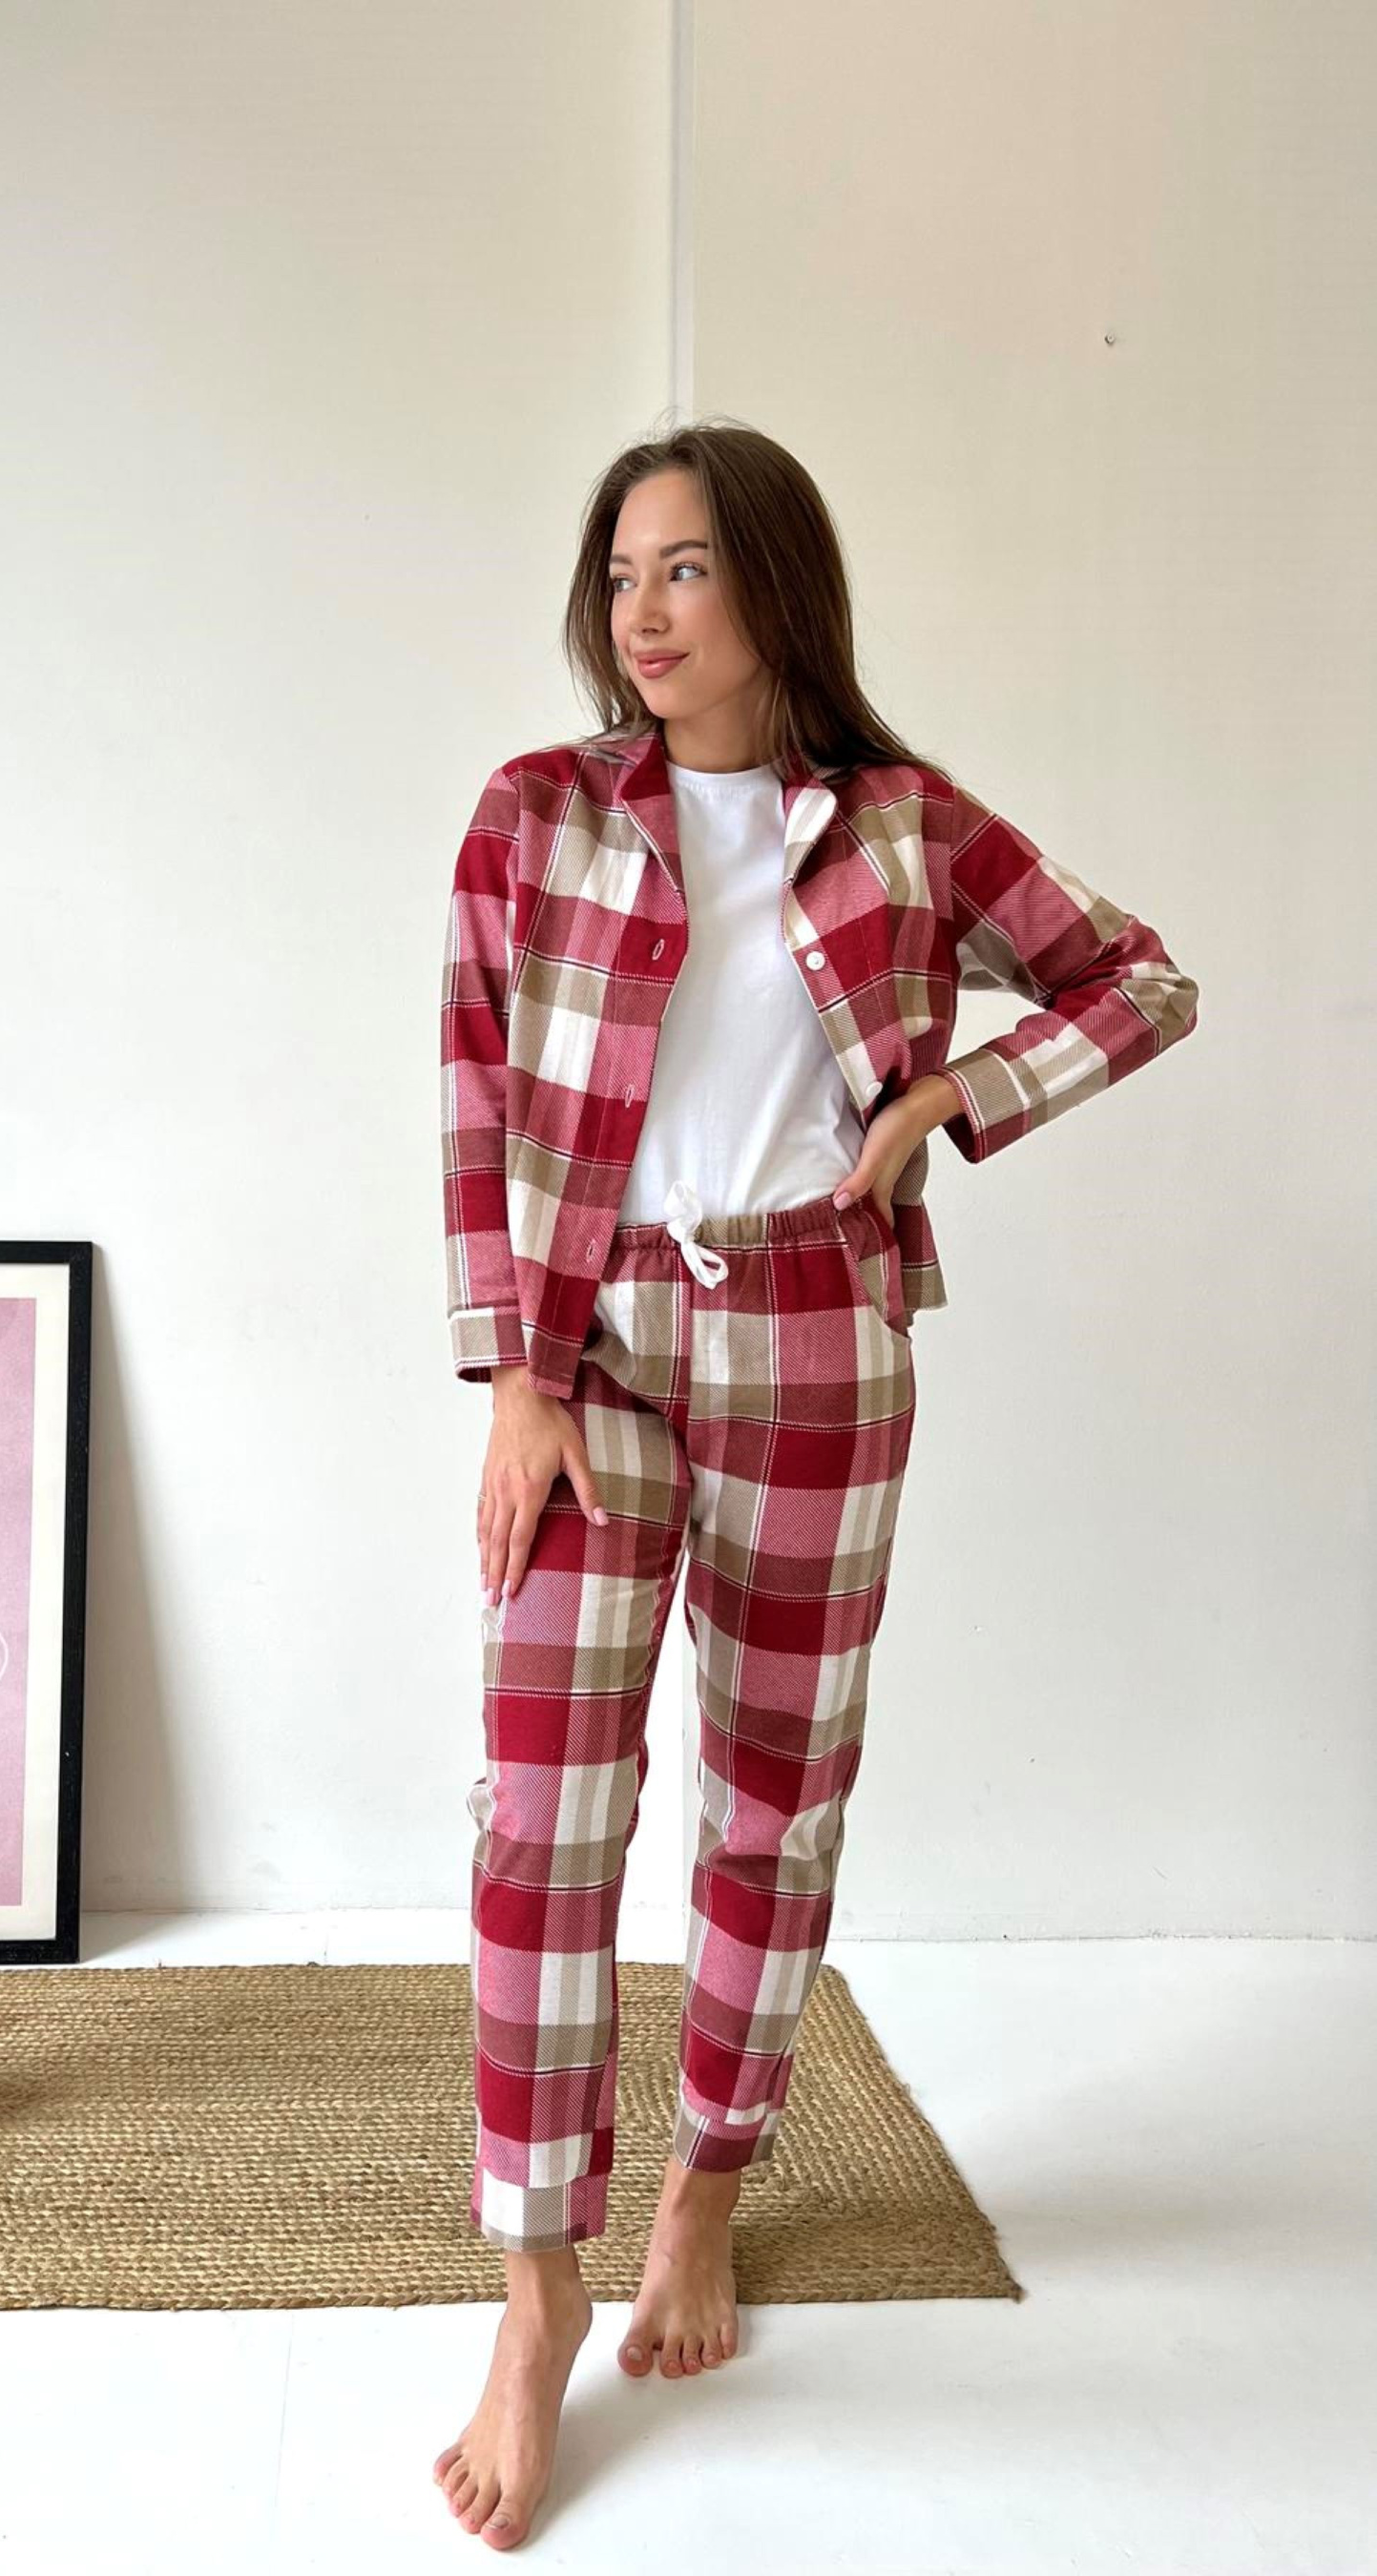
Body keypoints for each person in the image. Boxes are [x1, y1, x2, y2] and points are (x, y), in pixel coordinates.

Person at [430, 418, 1200, 2548]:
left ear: (774, 584)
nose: (640, 613)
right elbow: (475, 1091)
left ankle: (703, 2191)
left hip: (814, 1337)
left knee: (770, 1802)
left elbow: (1142, 980)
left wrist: (955, 1094)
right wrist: (512, 1374)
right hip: (595, 1350)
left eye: (681, 569)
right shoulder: (534, 815)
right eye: (617, 576)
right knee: (542, 1811)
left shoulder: (901, 826)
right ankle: (533, 2286)